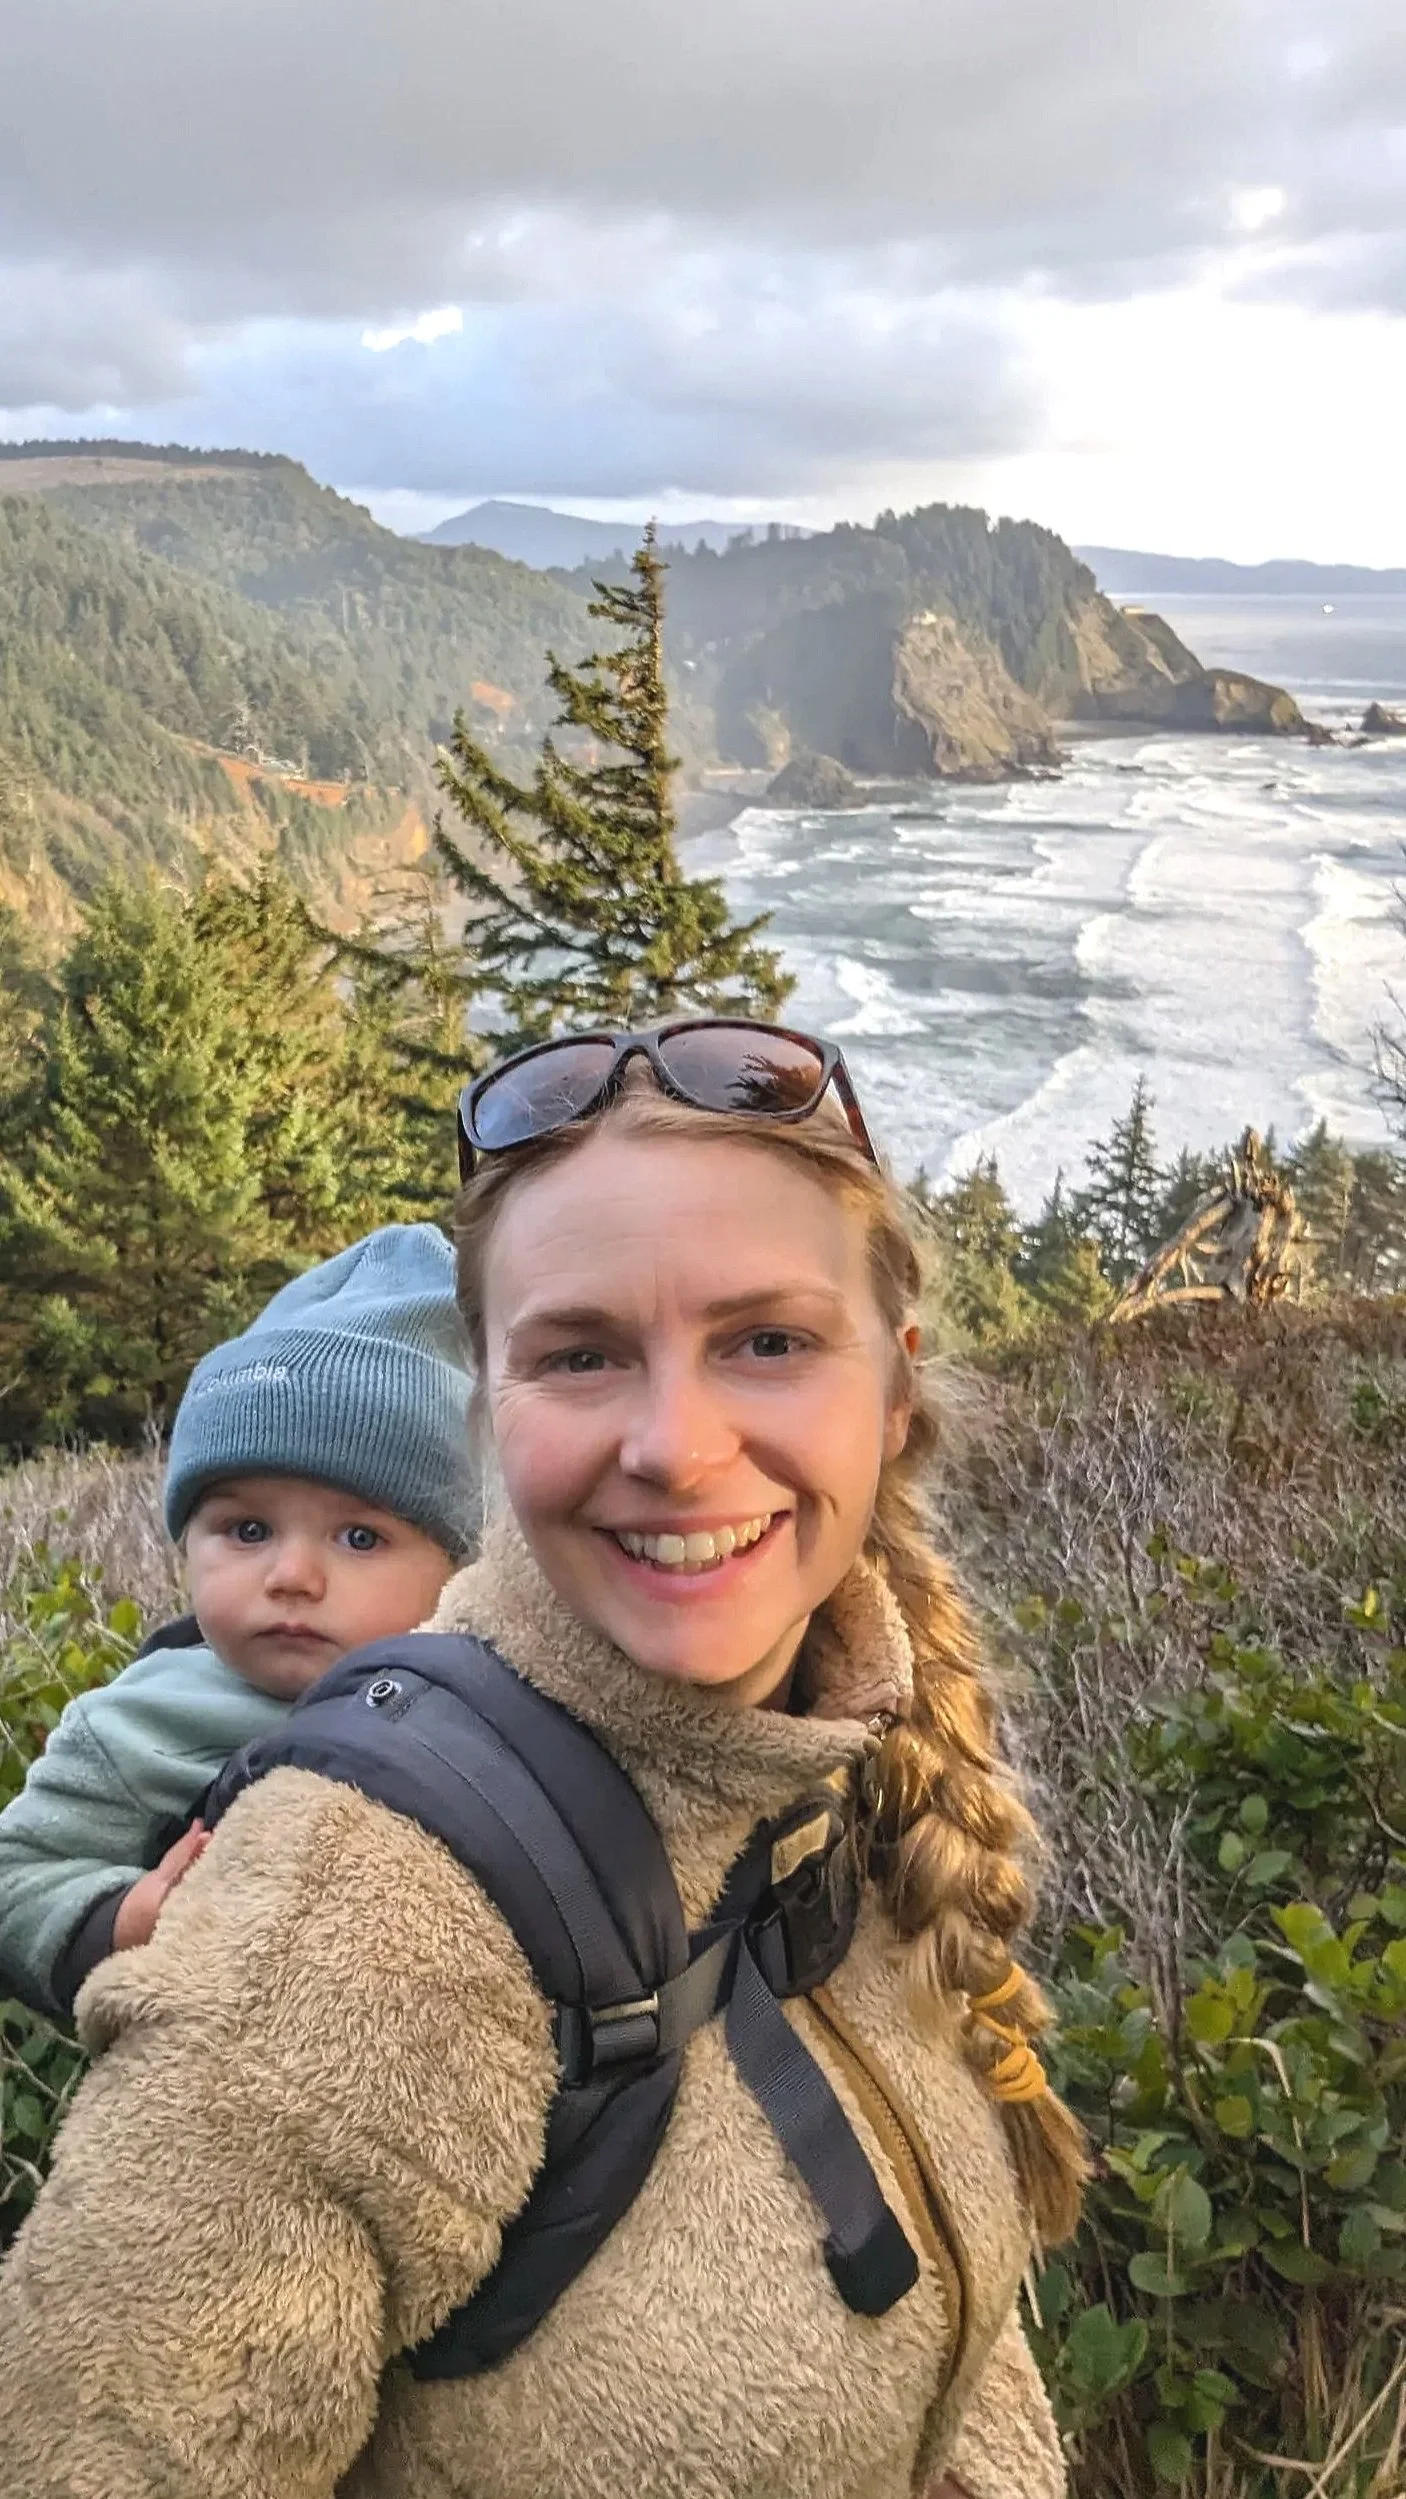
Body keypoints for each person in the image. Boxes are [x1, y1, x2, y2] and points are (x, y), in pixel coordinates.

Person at [0, 1019, 1085, 2499]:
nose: (675, 1443)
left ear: (891, 1390)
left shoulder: (836, 1756)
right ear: (487, 1413)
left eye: (764, 1339)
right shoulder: (348, 1917)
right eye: (580, 1354)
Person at [0, 1222, 474, 2017]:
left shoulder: (500, 1695)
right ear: (186, 1539)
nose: (291, 1575)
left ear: (463, 1563)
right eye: (247, 1530)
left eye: (361, 1537)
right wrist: (120, 1919)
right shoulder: (135, 1724)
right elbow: (18, 1875)